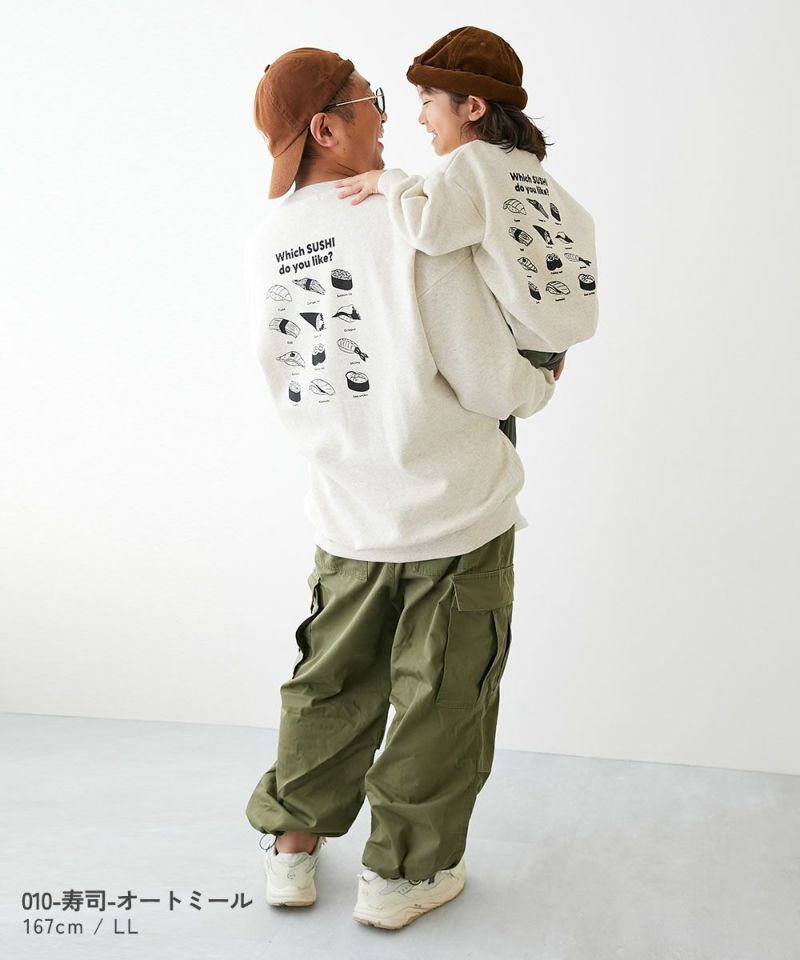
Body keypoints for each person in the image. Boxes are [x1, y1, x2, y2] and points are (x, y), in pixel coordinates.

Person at [244, 46, 557, 930]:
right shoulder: (411, 217)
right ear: (327, 127)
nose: (386, 115)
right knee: (441, 699)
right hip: (454, 510)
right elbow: (488, 377)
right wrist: (542, 377)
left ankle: (293, 850)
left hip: (348, 510)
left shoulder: (267, 239)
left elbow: (283, 379)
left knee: (330, 680)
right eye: (369, 99)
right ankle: (401, 878)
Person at [334, 25, 598, 407]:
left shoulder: (470, 164)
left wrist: (387, 181)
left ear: (473, 107)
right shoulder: (527, 166)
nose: (421, 118)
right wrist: (555, 327)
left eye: (427, 102)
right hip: (550, 342)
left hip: (516, 345)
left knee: (489, 431)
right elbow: (577, 228)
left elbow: (429, 229)